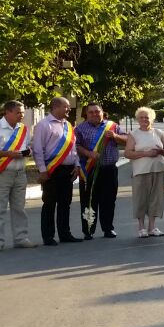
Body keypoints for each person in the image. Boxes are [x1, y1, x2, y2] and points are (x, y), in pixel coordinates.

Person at [32, 96, 80, 246]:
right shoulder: (43, 125)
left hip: (68, 170)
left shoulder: (68, 125)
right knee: (49, 203)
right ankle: (48, 236)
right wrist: (42, 170)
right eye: (66, 106)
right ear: (56, 107)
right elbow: (38, 149)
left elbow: (73, 148)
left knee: (65, 203)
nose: (69, 109)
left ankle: (65, 234)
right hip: (52, 170)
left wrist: (77, 165)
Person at [74, 102, 126, 239]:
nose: (94, 114)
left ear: (102, 112)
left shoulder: (113, 126)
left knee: (109, 200)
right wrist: (88, 153)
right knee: (88, 200)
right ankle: (88, 230)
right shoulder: (80, 128)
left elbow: (127, 140)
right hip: (88, 169)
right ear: (86, 114)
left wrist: (115, 136)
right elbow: (76, 146)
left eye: (97, 111)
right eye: (91, 112)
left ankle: (108, 228)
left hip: (109, 169)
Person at [124, 107, 164, 238]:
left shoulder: (158, 132)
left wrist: (161, 152)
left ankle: (152, 227)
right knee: (141, 198)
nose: (144, 120)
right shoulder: (134, 134)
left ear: (152, 119)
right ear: (138, 119)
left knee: (156, 198)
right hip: (140, 170)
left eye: (147, 117)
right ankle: (141, 227)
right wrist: (147, 153)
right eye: (141, 117)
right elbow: (127, 153)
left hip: (157, 168)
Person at [0, 100, 38, 251]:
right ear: (7, 112)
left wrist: (27, 152)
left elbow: (27, 146)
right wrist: (8, 154)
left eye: (22, 112)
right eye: (18, 112)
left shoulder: (23, 129)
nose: (21, 115)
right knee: (0, 208)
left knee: (19, 208)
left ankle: (21, 238)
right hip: (3, 173)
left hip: (20, 173)